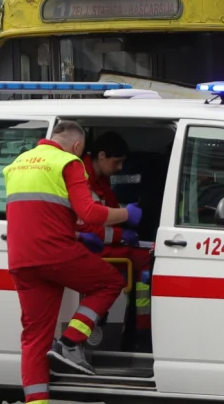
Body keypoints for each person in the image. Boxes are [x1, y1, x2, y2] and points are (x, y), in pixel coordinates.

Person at [4, 120, 142, 399]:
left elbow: (37, 213)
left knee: (34, 338)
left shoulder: (19, 162)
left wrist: (79, 237)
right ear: (78, 146)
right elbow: (90, 213)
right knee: (109, 283)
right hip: (56, 253)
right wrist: (127, 214)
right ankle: (70, 341)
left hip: (21, 259)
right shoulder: (68, 162)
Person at [74, 133, 153, 337]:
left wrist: (125, 225)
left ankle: (137, 327)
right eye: (116, 162)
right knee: (144, 259)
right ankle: (142, 331)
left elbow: (108, 212)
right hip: (85, 245)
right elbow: (88, 227)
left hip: (94, 243)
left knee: (145, 256)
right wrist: (121, 235)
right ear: (101, 156)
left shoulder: (99, 179)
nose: (119, 168)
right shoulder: (82, 179)